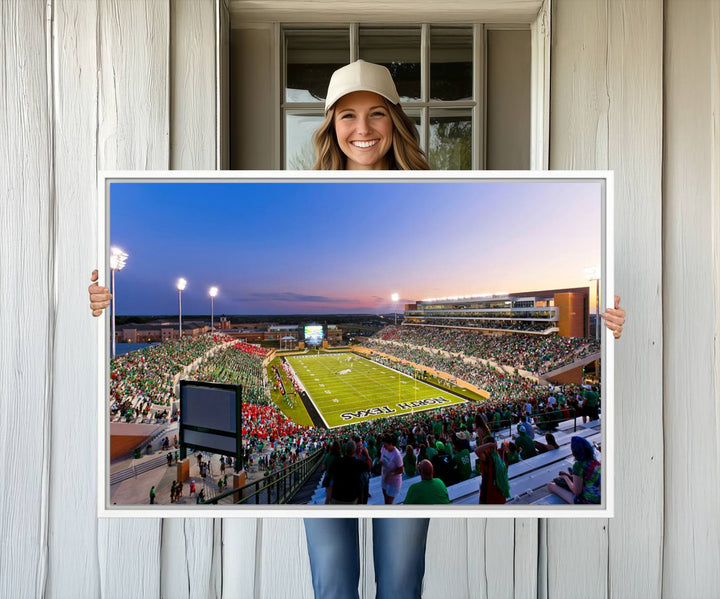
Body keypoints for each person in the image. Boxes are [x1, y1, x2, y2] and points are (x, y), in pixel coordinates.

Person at [88, 59, 626, 599]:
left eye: (375, 114)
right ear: (330, 126)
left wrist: (609, 325)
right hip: (355, 471)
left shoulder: (433, 190)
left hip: (388, 477)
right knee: (333, 576)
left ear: (395, 120)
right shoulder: (308, 188)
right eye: (347, 116)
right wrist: (101, 305)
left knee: (399, 577)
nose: (362, 129)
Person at [546, 436, 602, 504]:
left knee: (550, 485)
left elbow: (576, 492)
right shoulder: (596, 463)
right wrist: (570, 476)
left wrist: (566, 477)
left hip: (587, 502)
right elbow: (588, 479)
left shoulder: (578, 466)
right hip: (600, 499)